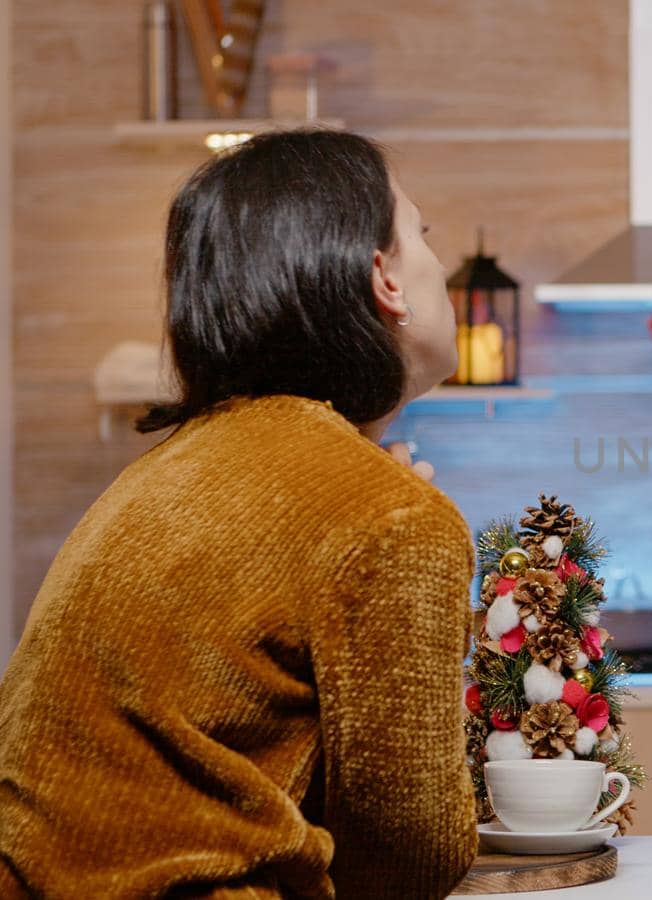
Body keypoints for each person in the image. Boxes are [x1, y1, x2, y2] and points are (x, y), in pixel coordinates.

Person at [0, 130, 478, 898]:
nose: (440, 266)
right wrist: (400, 522)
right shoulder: (389, 516)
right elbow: (412, 859)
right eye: (422, 237)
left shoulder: (166, 472)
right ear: (382, 278)